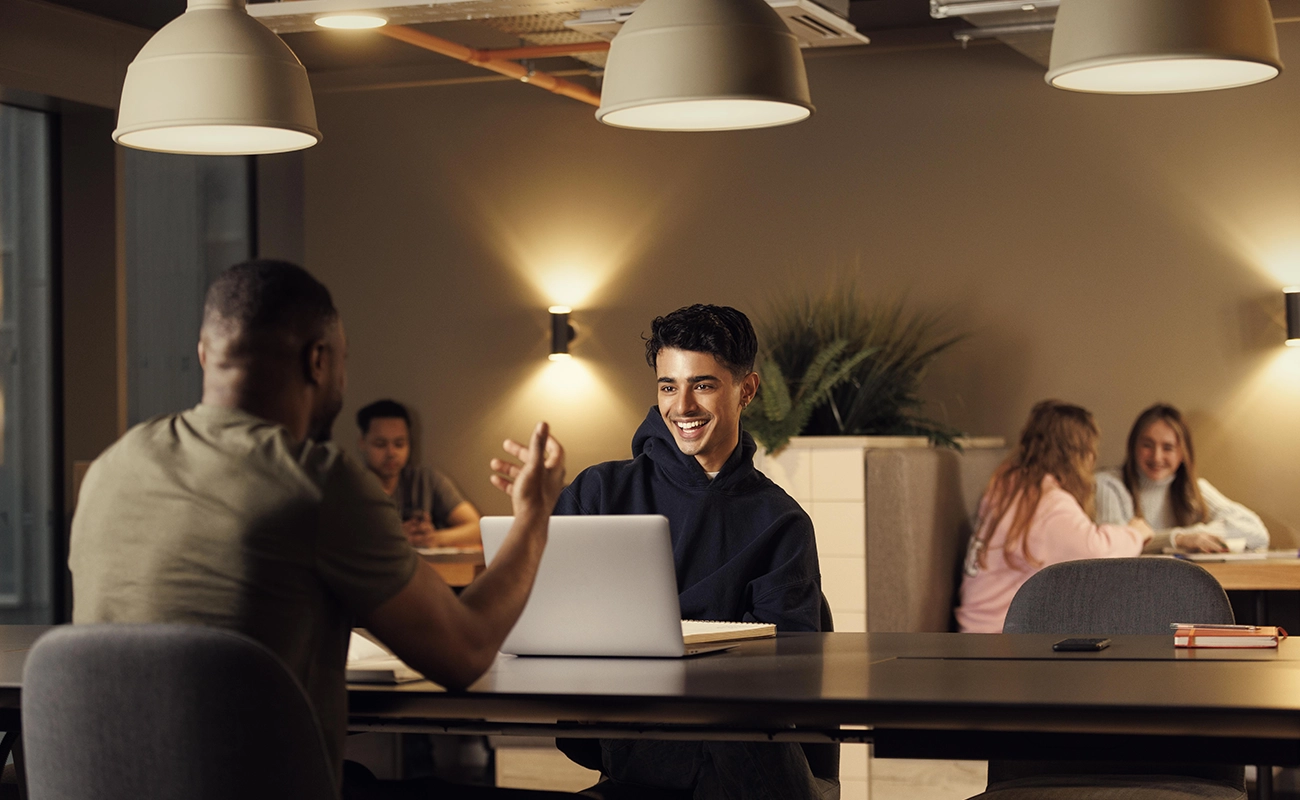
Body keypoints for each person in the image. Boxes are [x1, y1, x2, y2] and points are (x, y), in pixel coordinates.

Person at [69, 259, 569, 799]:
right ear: (318, 361)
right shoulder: (317, 480)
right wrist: (535, 513)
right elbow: (465, 653)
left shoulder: (110, 467)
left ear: (203, 353)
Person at [554, 304, 830, 799]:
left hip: (746, 764)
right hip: (636, 752)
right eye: (668, 386)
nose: (682, 406)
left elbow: (789, 670)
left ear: (745, 390)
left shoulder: (781, 522)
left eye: (702, 384)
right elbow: (551, 632)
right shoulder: (597, 494)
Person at [956, 400, 1152, 634]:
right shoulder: (1048, 503)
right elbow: (1098, 551)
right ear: (1080, 454)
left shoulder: (1009, 486)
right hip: (1001, 640)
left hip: (977, 632)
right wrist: (1136, 533)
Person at [1094, 403, 1269, 554]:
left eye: (1168, 448)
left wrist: (1197, 534)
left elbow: (1256, 532)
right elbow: (1115, 548)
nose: (1157, 457)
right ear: (1133, 447)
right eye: (1147, 445)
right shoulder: (1108, 484)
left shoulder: (1193, 489)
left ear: (1183, 454)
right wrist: (1179, 539)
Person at [357, 399, 482, 548]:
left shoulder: (426, 480)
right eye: (380, 444)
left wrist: (433, 538)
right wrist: (393, 538)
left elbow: (477, 528)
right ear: (362, 443)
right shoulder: (348, 485)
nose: (391, 453)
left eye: (399, 444)